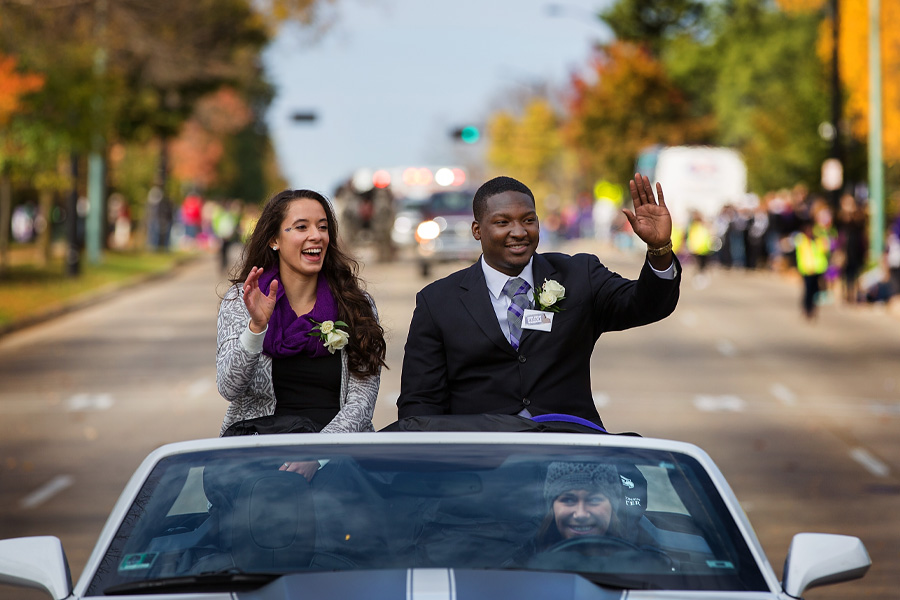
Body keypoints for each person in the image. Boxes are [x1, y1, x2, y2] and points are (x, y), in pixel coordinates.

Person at [397, 174, 680, 428]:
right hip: (481, 462)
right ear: (477, 230)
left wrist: (659, 249)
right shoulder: (437, 302)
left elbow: (647, 304)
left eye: (528, 220)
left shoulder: (580, 275)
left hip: (568, 450)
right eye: (502, 222)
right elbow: (420, 404)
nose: (519, 231)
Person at [216, 189, 386, 477]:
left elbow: (361, 401)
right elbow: (229, 387)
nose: (316, 236)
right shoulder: (242, 300)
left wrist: (318, 455)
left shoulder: (356, 304)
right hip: (260, 457)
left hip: (339, 458)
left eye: (322, 227)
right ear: (274, 240)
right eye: (301, 227)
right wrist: (256, 328)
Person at [793, 218, 830, 320]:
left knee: (815, 290)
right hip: (806, 269)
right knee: (808, 291)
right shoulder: (801, 240)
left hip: (817, 269)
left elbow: (825, 250)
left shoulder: (817, 240)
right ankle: (806, 308)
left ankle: (812, 308)